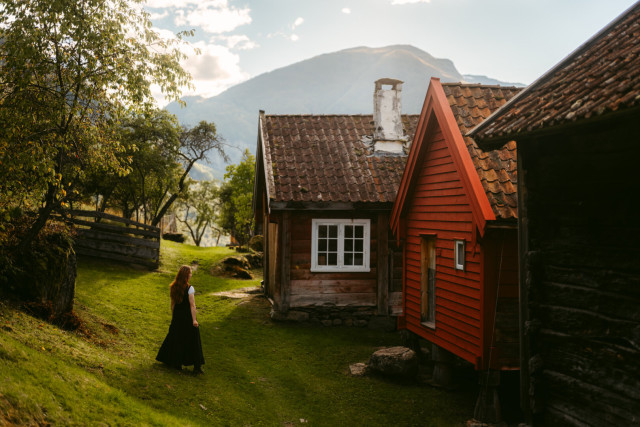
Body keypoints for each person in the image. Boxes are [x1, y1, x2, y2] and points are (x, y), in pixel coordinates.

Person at [156, 265, 205, 374]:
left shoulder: (173, 286)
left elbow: (172, 304)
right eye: (190, 273)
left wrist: (174, 317)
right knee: (194, 340)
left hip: (177, 317)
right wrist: (194, 320)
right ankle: (197, 367)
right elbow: (192, 305)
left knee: (176, 339)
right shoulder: (190, 288)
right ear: (186, 275)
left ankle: (175, 363)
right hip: (188, 317)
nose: (191, 275)